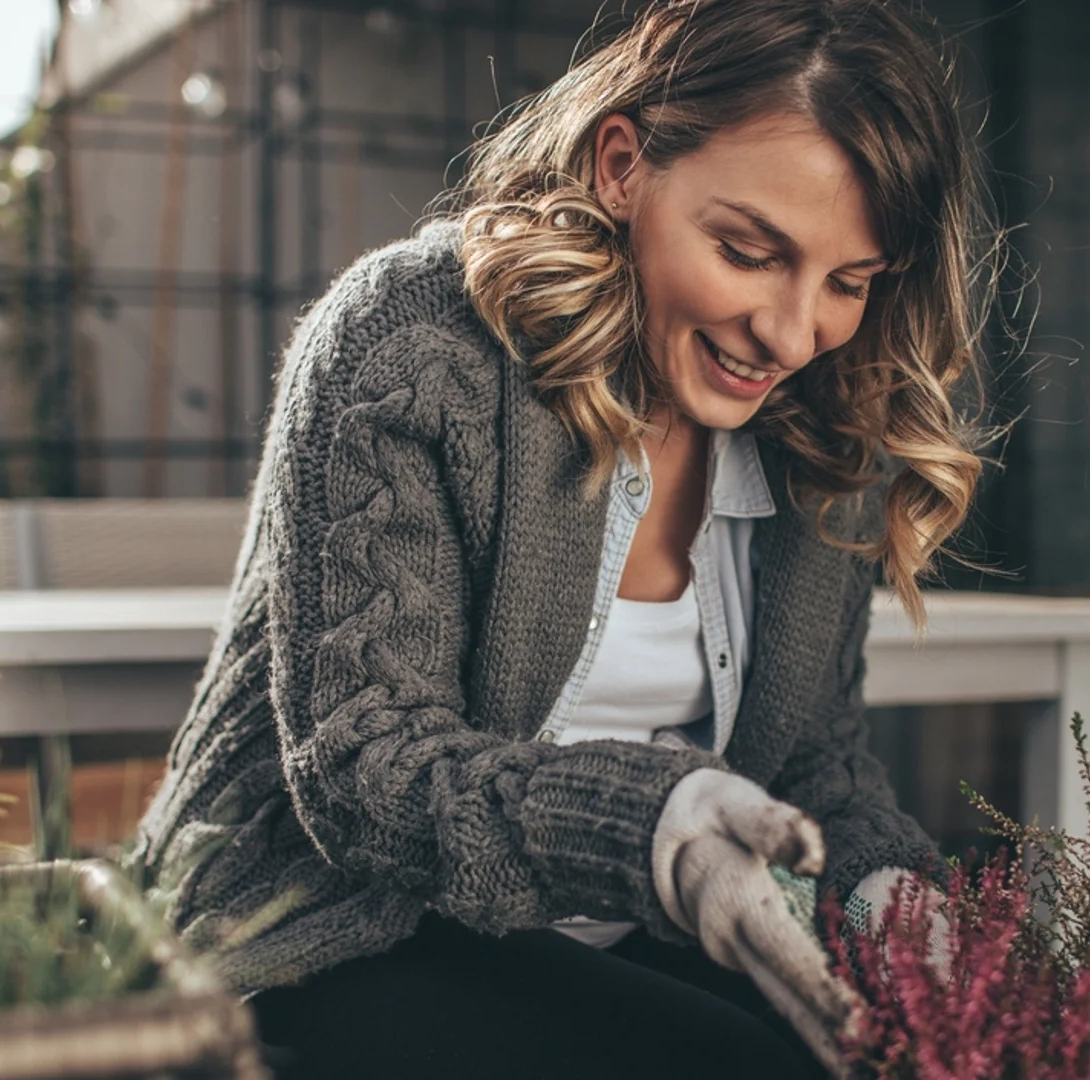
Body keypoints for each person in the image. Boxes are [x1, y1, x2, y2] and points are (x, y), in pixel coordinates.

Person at [130, 1, 992, 1076]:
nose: (791, 332)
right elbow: (366, 769)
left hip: (617, 933)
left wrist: (884, 899)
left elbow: (817, 761)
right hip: (320, 925)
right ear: (623, 165)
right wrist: (658, 838)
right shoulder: (414, 343)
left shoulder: (825, 422)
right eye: (748, 251)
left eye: (849, 283)